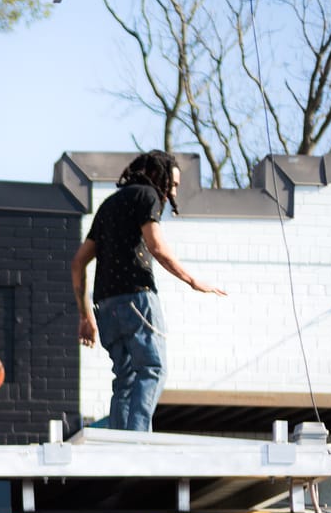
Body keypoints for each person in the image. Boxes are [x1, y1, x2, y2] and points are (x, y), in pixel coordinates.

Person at [71, 150, 226, 432]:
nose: (172, 192)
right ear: (158, 176)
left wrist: (85, 316)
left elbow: (78, 262)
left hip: (105, 306)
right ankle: (138, 439)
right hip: (136, 298)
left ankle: (119, 443)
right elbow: (156, 246)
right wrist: (193, 281)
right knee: (153, 369)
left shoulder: (108, 205)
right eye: (172, 184)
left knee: (125, 377)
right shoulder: (147, 195)